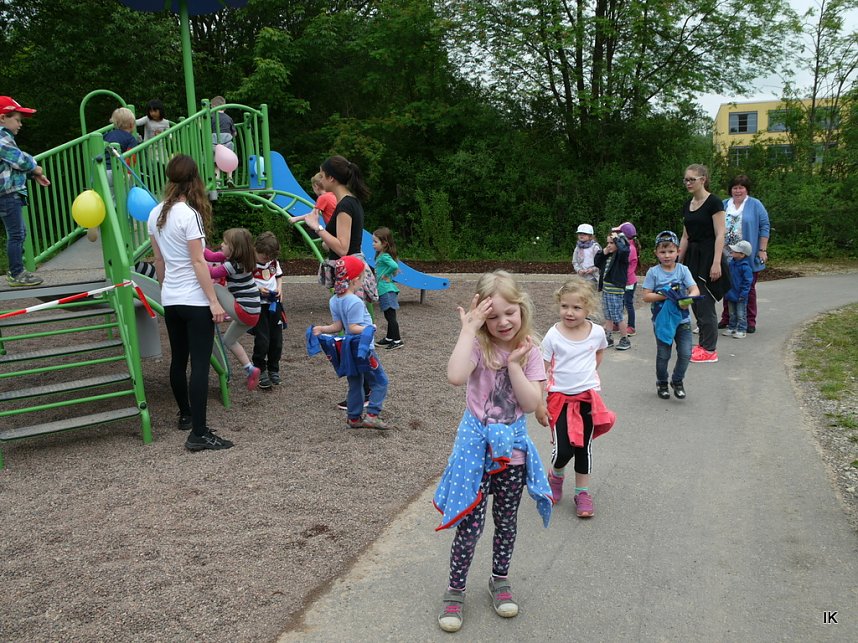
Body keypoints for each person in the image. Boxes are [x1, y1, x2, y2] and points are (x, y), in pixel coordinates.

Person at [433, 270, 553, 633]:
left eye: (509, 313)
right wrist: (468, 330)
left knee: (506, 522)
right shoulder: (477, 343)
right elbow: (455, 376)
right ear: (482, 315)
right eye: (492, 315)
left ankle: (499, 580)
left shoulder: (530, 348)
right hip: (475, 452)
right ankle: (455, 590)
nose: (502, 322)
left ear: (522, 308)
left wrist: (514, 364)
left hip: (512, 454)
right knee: (469, 524)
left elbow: (532, 403)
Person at [148, 154, 234, 451]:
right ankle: (198, 433)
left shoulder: (155, 213)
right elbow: (198, 261)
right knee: (199, 365)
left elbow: (159, 261)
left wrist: (165, 290)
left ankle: (186, 415)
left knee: (178, 360)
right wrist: (214, 302)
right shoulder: (189, 215)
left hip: (172, 299)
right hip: (195, 301)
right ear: (194, 180)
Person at [537, 278, 615, 519]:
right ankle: (556, 475)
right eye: (564, 306)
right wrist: (540, 402)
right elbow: (542, 367)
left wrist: (590, 374)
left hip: (587, 400)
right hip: (558, 400)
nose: (569, 312)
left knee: (583, 449)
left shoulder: (597, 332)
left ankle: (582, 493)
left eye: (576, 308)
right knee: (563, 450)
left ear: (588, 309)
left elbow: (599, 352)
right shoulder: (553, 334)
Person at [304, 155, 377, 410]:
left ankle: (366, 391)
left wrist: (317, 227)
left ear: (331, 178)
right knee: (350, 328)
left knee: (353, 331)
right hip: (349, 269)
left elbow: (343, 247)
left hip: (349, 271)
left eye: (322, 175)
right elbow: (339, 242)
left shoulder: (345, 205)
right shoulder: (350, 202)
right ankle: (364, 390)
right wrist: (327, 237)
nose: (321, 179)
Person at [310, 255, 393, 430]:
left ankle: (354, 418)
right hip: (363, 348)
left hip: (348, 348)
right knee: (380, 381)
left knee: (355, 383)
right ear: (355, 280)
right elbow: (354, 327)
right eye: (362, 278)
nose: (363, 282)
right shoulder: (355, 301)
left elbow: (338, 326)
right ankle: (372, 415)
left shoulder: (334, 300)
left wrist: (321, 329)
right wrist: (370, 327)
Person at [678, 163, 729, 364]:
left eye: (692, 179)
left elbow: (720, 233)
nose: (688, 183)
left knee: (705, 302)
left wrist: (716, 262)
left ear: (703, 179)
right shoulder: (687, 205)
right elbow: (685, 236)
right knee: (694, 301)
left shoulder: (714, 202)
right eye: (686, 179)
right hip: (692, 256)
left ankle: (710, 349)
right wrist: (677, 262)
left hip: (709, 256)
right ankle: (702, 344)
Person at [642, 231, 701, 400]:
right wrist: (666, 295)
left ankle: (677, 380)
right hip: (662, 321)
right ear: (656, 253)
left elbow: (694, 289)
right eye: (662, 252)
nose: (667, 256)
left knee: (685, 353)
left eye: (670, 251)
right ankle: (662, 383)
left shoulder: (683, 270)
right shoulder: (653, 272)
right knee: (663, 354)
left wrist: (690, 298)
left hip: (682, 319)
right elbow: (646, 296)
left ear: (678, 252)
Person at [204, 228, 263, 391]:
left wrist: (195, 259)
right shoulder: (243, 259)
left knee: (215, 287)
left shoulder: (232, 266)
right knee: (228, 340)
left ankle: (214, 308)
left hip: (244, 310)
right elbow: (211, 256)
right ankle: (250, 369)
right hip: (253, 313)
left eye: (225, 243)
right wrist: (198, 247)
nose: (221, 245)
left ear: (234, 249)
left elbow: (211, 272)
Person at [0, 95, 50, 287]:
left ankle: (17, 271)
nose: (20, 124)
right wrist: (35, 168)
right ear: (3, 117)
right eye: (17, 119)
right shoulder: (1, 137)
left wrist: (32, 174)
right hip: (6, 194)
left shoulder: (6, 137)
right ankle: (16, 273)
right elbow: (20, 160)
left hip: (11, 192)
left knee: (19, 232)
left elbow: (13, 165)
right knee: (16, 234)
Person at [719, 174, 771, 333]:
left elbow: (764, 227)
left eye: (741, 187)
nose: (738, 190)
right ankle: (728, 318)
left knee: (748, 287)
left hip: (746, 254)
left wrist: (762, 250)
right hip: (726, 254)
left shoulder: (755, 205)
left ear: (746, 189)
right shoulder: (724, 204)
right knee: (727, 286)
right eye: (735, 187)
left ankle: (749, 320)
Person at [252, 231, 285, 390]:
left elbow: (278, 276)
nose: (266, 260)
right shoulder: (249, 263)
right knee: (262, 340)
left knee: (277, 340)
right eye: (263, 257)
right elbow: (244, 283)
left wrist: (279, 289)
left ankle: (273, 368)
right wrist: (258, 290)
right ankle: (260, 369)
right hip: (258, 306)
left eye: (269, 257)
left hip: (274, 305)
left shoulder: (273, 262)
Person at [594, 230, 631, 350]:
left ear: (619, 243)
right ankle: (608, 337)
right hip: (606, 290)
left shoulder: (621, 257)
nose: (609, 245)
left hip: (616, 291)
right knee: (608, 315)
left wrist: (617, 239)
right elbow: (596, 262)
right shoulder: (608, 256)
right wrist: (603, 252)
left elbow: (625, 249)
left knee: (617, 316)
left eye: (612, 243)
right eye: (608, 242)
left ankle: (625, 339)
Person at [372, 227, 403, 350]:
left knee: (391, 317)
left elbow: (394, 265)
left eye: (375, 241)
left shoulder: (384, 256)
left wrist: (386, 274)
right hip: (385, 289)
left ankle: (397, 340)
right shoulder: (381, 255)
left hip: (387, 290)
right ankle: (390, 338)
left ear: (384, 243)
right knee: (388, 316)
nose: (373, 244)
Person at [103, 107, 140, 193]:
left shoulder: (107, 135)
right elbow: (131, 159)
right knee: (123, 194)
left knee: (110, 197)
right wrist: (127, 175)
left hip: (103, 171)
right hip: (117, 172)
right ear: (131, 124)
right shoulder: (131, 139)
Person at [723, 240, 753, 339]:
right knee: (732, 313)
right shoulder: (731, 263)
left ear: (742, 255)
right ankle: (732, 327)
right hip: (731, 293)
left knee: (741, 313)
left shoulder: (745, 267)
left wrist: (743, 294)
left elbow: (747, 282)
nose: (732, 252)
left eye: (735, 251)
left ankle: (742, 329)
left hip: (740, 295)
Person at [616, 222, 639, 335]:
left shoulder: (630, 249)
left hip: (628, 281)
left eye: (619, 233)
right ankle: (616, 323)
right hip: (623, 281)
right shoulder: (626, 246)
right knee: (619, 302)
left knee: (628, 303)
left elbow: (623, 263)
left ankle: (631, 326)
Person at [210, 96, 237, 186]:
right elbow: (234, 133)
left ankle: (217, 181)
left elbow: (208, 130)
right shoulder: (229, 118)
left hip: (215, 145)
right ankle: (229, 178)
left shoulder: (212, 117)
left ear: (213, 106)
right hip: (227, 144)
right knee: (229, 161)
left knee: (216, 163)